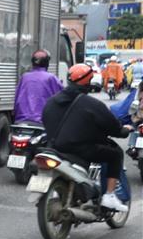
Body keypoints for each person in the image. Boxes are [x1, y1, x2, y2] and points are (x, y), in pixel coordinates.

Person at [42, 63, 132, 212]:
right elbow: (113, 127)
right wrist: (124, 130)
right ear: (88, 82)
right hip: (80, 150)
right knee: (115, 154)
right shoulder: (91, 104)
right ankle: (109, 196)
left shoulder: (52, 101)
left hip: (54, 147)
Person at [13, 49, 63, 124]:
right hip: (43, 122)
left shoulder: (25, 77)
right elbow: (62, 98)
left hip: (21, 121)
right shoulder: (51, 78)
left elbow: (17, 99)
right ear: (47, 63)